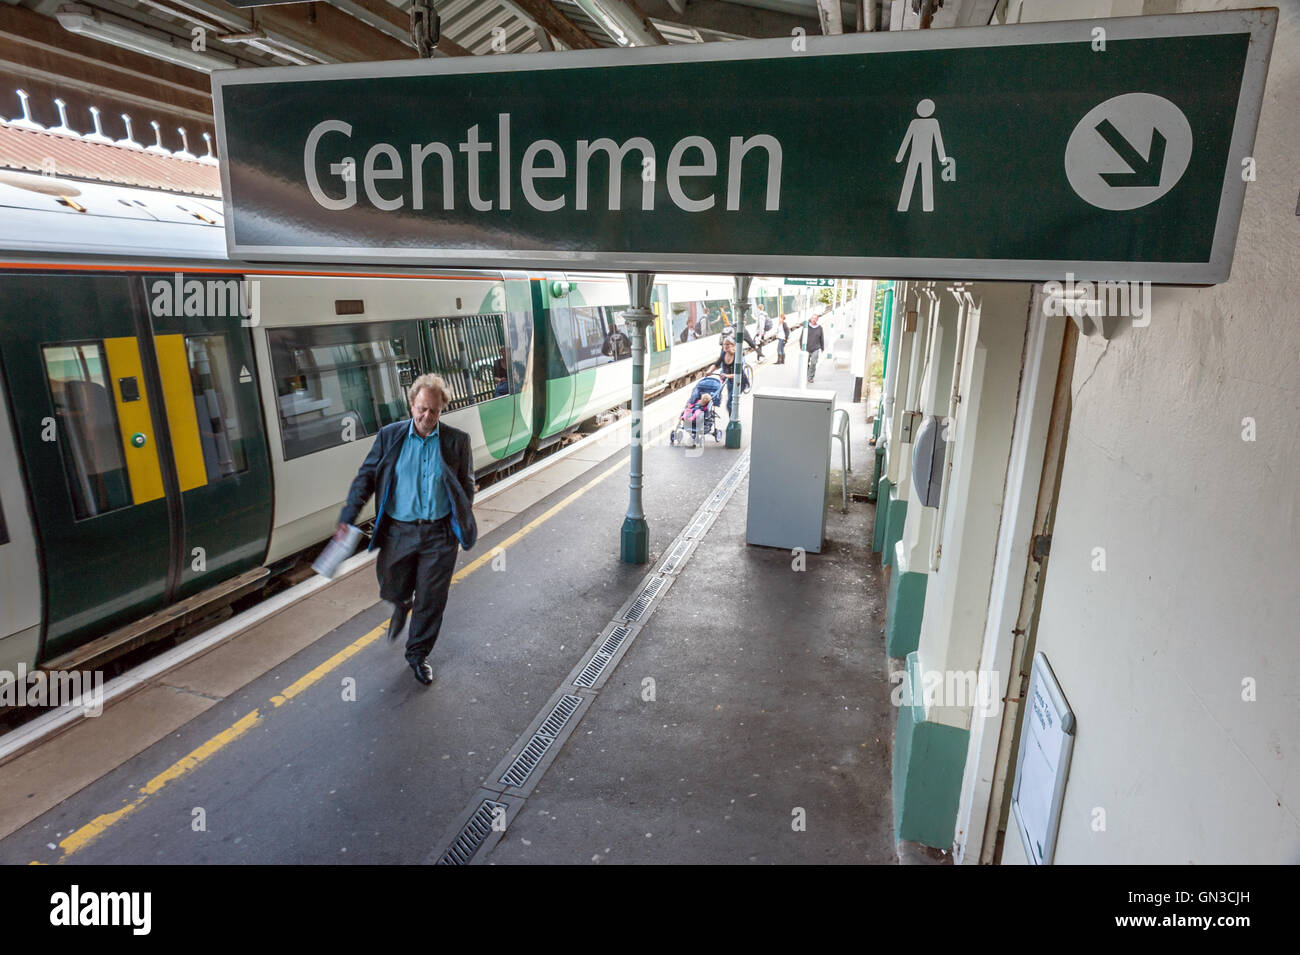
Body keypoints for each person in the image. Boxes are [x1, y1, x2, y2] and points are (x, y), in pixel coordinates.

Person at [335, 374, 477, 686]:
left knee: (431, 599)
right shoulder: (390, 437)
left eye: (435, 411)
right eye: (422, 409)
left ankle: (417, 655)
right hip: (399, 531)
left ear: (442, 410)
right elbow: (367, 476)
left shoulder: (457, 441)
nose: (428, 417)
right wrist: (348, 516)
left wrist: (459, 520)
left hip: (440, 535)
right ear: (411, 405)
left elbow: (466, 484)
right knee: (390, 584)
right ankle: (400, 602)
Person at [802, 312, 826, 383]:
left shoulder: (819, 328)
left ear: (817, 320)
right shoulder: (806, 327)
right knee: (805, 363)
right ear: (811, 319)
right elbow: (802, 337)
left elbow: (822, 338)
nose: (814, 320)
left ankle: (810, 377)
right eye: (813, 318)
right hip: (807, 348)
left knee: (813, 363)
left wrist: (822, 347)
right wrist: (801, 346)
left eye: (815, 318)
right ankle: (808, 373)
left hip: (815, 348)